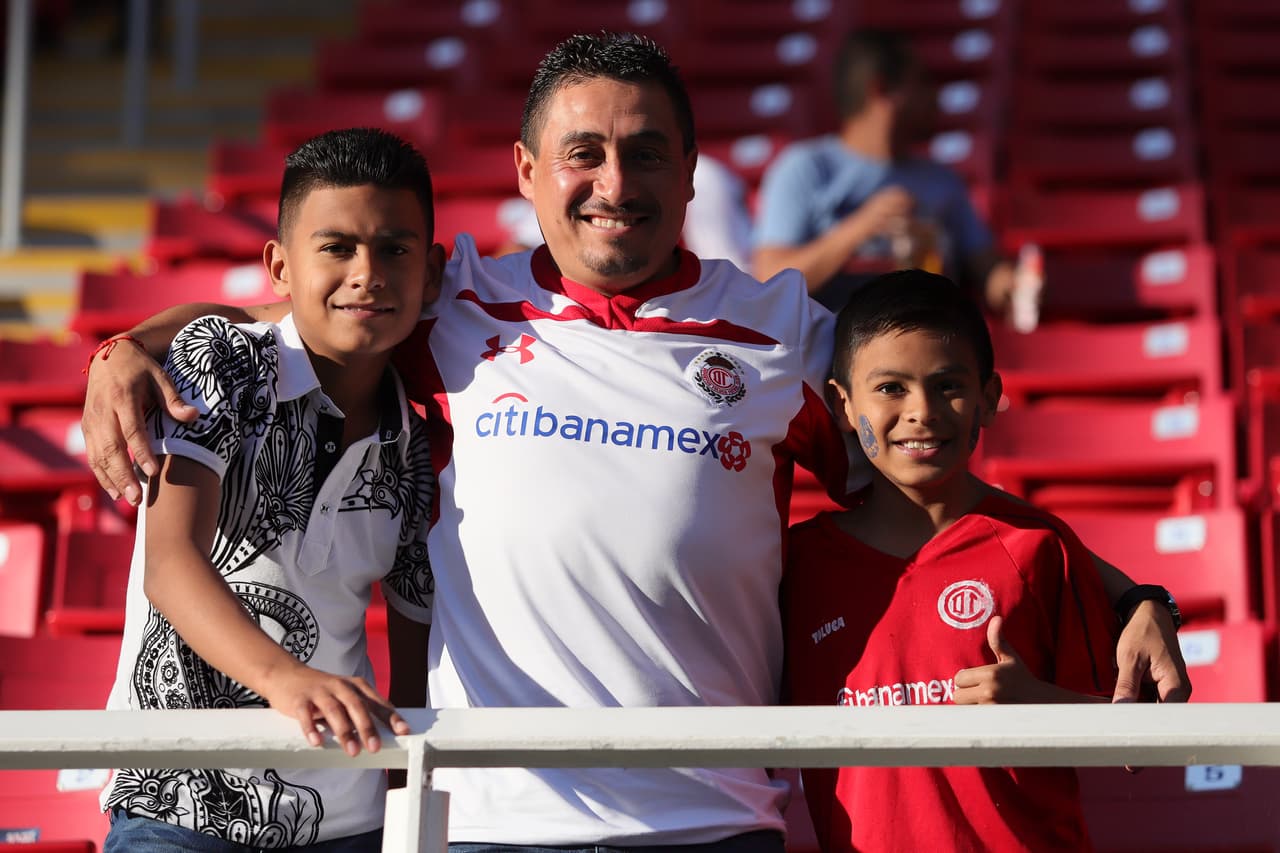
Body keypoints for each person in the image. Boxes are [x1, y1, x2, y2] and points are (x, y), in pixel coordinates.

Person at [81, 33, 1188, 852]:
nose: (615, 184)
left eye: (647, 154)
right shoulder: (446, 301)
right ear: (525, 173)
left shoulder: (783, 335)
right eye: (584, 154)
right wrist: (128, 345)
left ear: (693, 175)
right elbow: (296, 310)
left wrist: (1129, 589)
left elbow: (937, 491)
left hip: (711, 818)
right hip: (489, 818)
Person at [97, 127, 441, 851]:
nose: (368, 272)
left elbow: (415, 666)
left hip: (348, 817)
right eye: (337, 247)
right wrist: (287, 680)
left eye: (395, 249)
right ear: (279, 265)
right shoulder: (220, 360)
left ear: (431, 273)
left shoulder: (419, 442)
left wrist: (409, 814)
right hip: (177, 809)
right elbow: (170, 565)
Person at [783, 270, 1124, 852]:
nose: (922, 411)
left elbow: (1135, 740)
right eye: (890, 388)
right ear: (841, 405)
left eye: (947, 386)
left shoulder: (1036, 547)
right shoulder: (797, 566)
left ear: (989, 399)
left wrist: (1044, 707)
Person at [752, 29, 1015, 313]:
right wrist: (860, 227)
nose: (935, 96)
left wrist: (1012, 285)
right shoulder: (805, 168)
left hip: (926, 339)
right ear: (881, 90)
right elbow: (770, 280)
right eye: (922, 82)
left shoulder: (944, 180)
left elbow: (987, 269)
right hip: (829, 344)